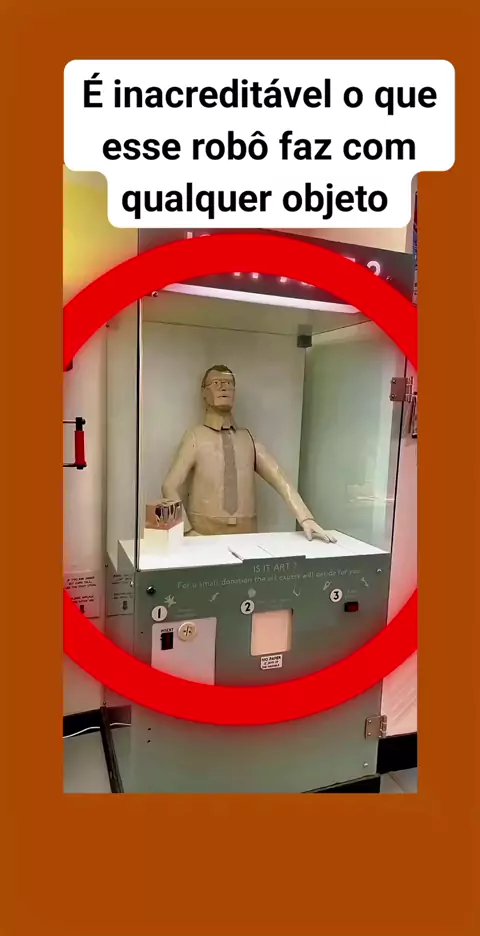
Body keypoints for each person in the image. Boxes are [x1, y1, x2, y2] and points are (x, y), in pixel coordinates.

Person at [161, 364, 335, 542]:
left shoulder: (248, 439)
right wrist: (187, 531)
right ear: (204, 392)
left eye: (229, 383)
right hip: (203, 532)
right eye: (217, 383)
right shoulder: (195, 437)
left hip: (246, 534)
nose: (224, 387)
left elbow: (280, 479)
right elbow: (169, 486)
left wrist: (306, 517)